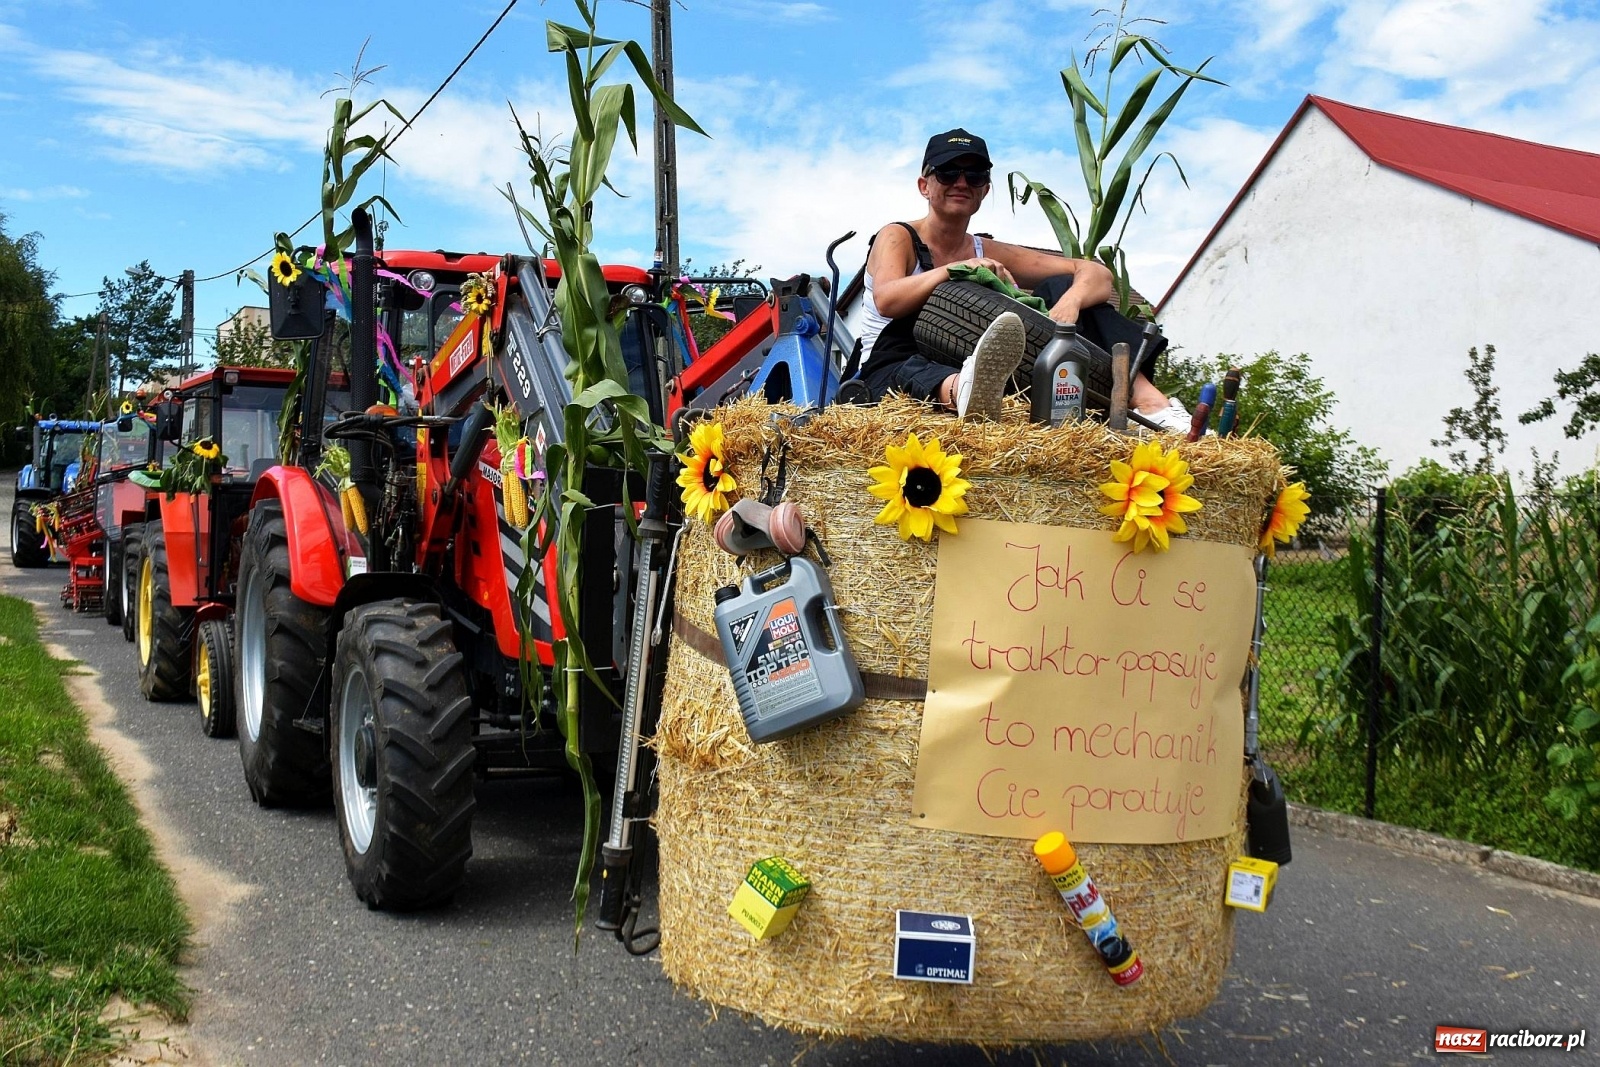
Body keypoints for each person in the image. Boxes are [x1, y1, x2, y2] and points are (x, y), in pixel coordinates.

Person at [855, 128, 1189, 427]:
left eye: (974, 175)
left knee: (1063, 287)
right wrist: (960, 270)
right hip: (892, 359)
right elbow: (888, 300)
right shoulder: (897, 236)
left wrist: (1069, 304)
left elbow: (1097, 274)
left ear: (985, 190)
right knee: (908, 365)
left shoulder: (986, 248)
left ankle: (1152, 404)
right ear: (924, 185)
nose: (961, 182)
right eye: (947, 173)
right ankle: (965, 389)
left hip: (970, 353)